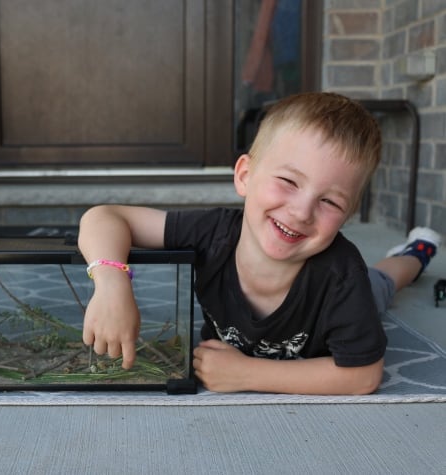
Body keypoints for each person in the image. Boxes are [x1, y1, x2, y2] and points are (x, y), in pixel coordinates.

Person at [78, 92, 441, 395]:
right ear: (245, 175)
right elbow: (105, 217)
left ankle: (416, 253)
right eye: (288, 181)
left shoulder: (343, 275)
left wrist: (248, 374)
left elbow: (363, 374)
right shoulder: (213, 231)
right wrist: (112, 284)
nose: (301, 212)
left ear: (346, 216)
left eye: (329, 202)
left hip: (358, 291)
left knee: (384, 282)